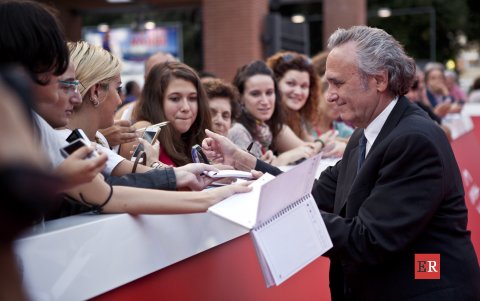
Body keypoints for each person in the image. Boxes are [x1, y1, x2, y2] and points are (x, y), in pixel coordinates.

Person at [203, 26, 480, 300]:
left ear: (379, 80)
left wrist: (275, 211)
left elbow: (369, 240)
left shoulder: (413, 141)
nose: (329, 95)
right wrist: (244, 161)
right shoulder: (366, 133)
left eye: (338, 83)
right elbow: (312, 193)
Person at [0, 0, 251, 218]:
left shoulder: (69, 136)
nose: (186, 107)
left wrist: (199, 183)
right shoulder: (140, 130)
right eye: (65, 83)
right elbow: (110, 193)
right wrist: (204, 192)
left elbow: (108, 191)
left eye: (193, 98)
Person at [229, 60, 324, 166]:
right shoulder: (238, 131)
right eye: (255, 94)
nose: (265, 101)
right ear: (240, 98)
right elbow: (246, 177)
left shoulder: (262, 126)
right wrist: (283, 158)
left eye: (269, 93)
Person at [120, 61, 212, 166]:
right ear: (156, 101)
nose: (186, 107)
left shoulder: (195, 136)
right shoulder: (147, 132)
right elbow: (134, 179)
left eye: (192, 98)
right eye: (175, 98)